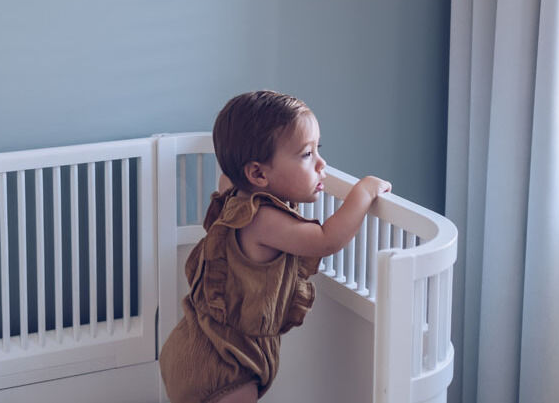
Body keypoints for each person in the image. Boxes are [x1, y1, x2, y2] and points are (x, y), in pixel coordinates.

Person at [159, 90, 391, 403]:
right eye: (307, 155)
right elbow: (326, 240)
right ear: (257, 173)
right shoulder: (262, 220)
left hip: (194, 342)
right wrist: (363, 193)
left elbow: (230, 172)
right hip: (225, 366)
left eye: (316, 150)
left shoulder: (233, 192)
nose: (322, 165)